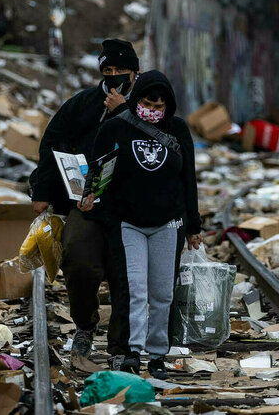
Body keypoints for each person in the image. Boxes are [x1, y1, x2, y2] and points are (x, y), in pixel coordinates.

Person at [81, 70, 202, 379]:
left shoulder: (177, 130)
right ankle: (133, 352)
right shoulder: (116, 128)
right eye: (148, 103)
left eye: (159, 106)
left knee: (162, 293)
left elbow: (188, 178)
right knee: (135, 289)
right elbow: (99, 169)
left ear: (168, 106)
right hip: (128, 223)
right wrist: (91, 194)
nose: (153, 110)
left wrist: (193, 226)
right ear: (137, 101)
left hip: (168, 223)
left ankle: (158, 354)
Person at [29, 38, 139, 366]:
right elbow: (52, 143)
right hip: (85, 204)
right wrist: (43, 191)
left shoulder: (147, 104)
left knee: (126, 275)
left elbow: (163, 145)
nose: (115, 75)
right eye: (108, 70)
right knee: (77, 258)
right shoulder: (84, 104)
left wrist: (122, 112)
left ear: (136, 72)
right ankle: (85, 325)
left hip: (134, 208)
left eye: (122, 70)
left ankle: (122, 347)